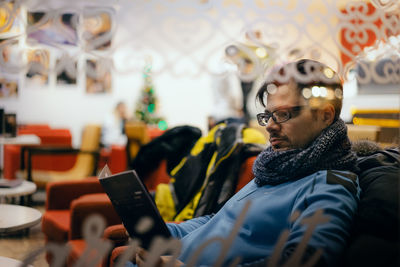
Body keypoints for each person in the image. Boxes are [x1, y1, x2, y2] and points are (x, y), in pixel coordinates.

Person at [132, 59, 360, 267]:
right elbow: (219, 220)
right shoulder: (275, 168)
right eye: (267, 116)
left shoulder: (331, 185)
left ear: (325, 115)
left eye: (282, 114)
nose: (269, 125)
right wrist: (162, 232)